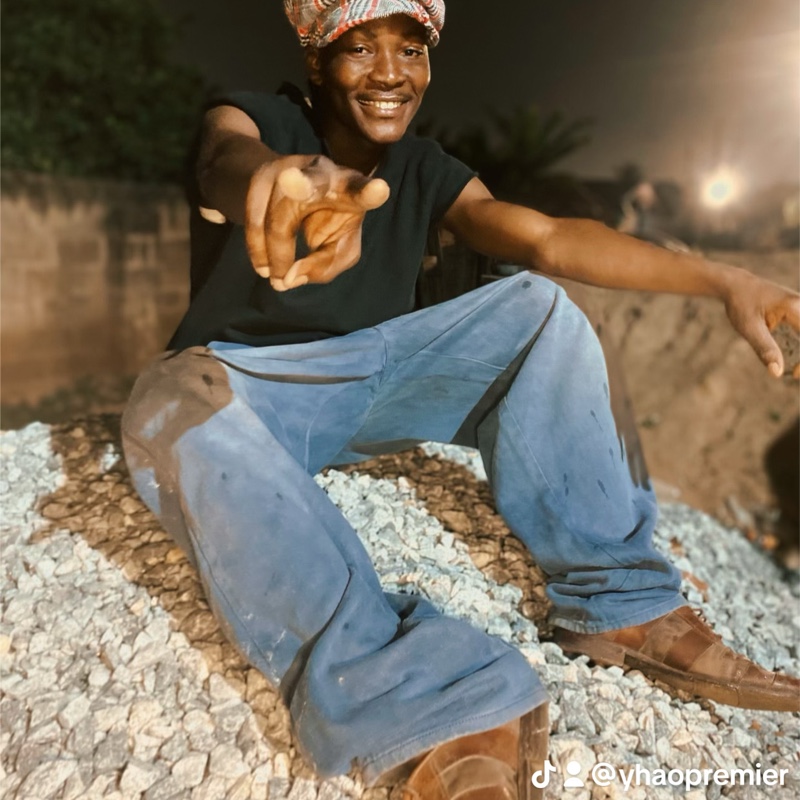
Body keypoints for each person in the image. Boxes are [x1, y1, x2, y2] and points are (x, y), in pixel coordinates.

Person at [121, 2, 800, 797]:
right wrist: (287, 183)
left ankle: (623, 604)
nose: (390, 73)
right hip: (256, 391)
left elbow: (547, 238)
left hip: (380, 378)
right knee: (170, 400)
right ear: (316, 61)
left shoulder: (424, 167)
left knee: (537, 307)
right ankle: (407, 694)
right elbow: (226, 160)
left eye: (411, 49)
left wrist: (723, 279)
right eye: (360, 48)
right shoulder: (256, 120)